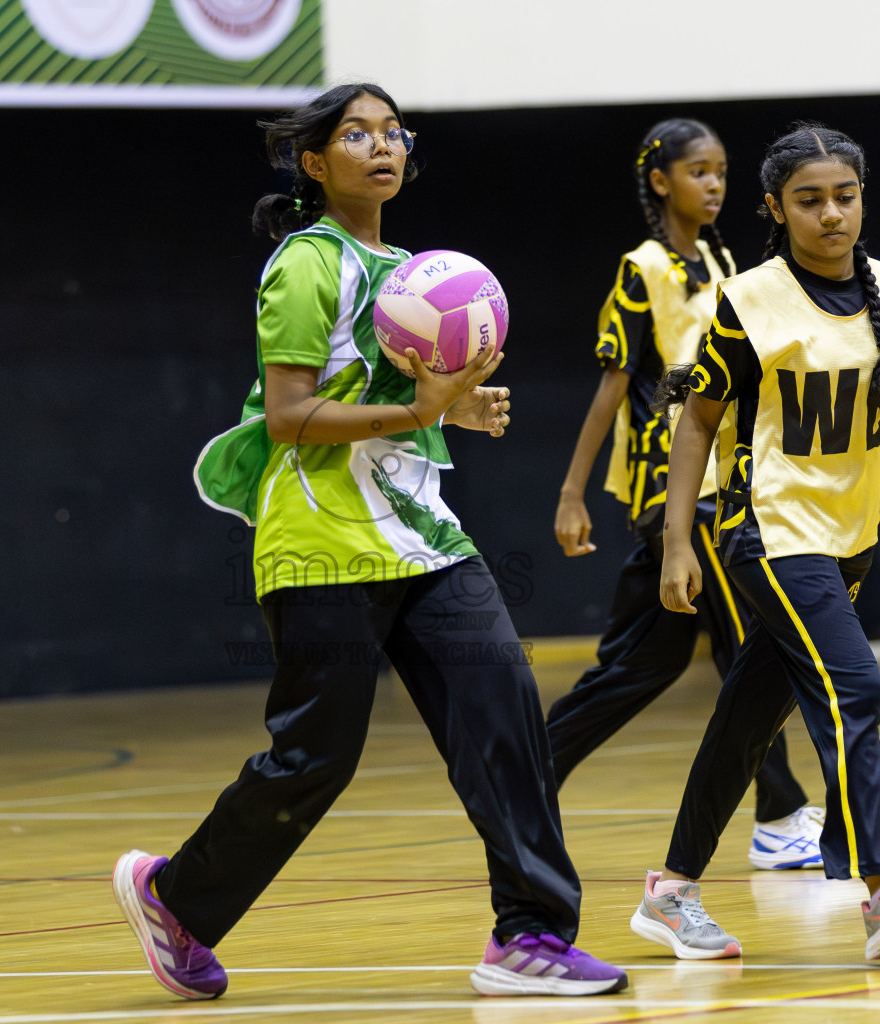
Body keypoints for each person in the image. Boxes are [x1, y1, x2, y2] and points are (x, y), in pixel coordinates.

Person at [109, 83, 627, 1001]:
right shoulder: (305, 265)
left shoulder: (410, 269)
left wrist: (448, 411)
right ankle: (174, 896)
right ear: (315, 162)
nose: (382, 147)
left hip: (424, 535)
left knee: (504, 711)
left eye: (394, 132)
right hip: (319, 537)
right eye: (357, 134)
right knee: (317, 757)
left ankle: (531, 935)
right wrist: (418, 406)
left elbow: (388, 409)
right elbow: (292, 414)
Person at [629, 123, 880, 961]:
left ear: (862, 200)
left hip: (850, 540)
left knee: (747, 720)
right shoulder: (749, 300)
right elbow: (696, 422)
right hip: (770, 533)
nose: (830, 215)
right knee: (853, 685)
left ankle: (670, 892)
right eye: (809, 200)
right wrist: (679, 542)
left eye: (844, 197)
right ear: (776, 210)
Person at [547, 117, 824, 872]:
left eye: (722, 172)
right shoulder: (640, 269)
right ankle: (779, 813)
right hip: (677, 489)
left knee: (644, 663)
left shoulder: (722, 258)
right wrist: (573, 493)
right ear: (662, 180)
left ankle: (526, 773)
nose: (715, 184)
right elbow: (612, 390)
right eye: (699, 171)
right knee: (754, 649)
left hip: (721, 483)